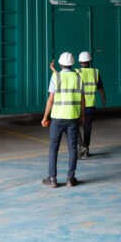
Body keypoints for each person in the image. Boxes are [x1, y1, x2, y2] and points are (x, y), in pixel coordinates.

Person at [41, 52, 85, 188]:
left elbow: (51, 99)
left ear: (61, 64)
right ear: (72, 64)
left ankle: (52, 179)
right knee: (72, 148)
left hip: (57, 118)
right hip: (72, 118)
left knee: (53, 147)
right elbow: (82, 99)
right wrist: (82, 116)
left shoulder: (56, 76)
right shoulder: (78, 77)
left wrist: (45, 117)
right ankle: (70, 179)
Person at [77, 51, 106, 159]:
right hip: (90, 105)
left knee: (73, 126)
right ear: (89, 61)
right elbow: (100, 87)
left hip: (78, 106)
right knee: (87, 128)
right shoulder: (95, 72)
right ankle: (86, 151)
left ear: (80, 61)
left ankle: (81, 145)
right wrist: (103, 98)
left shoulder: (77, 72)